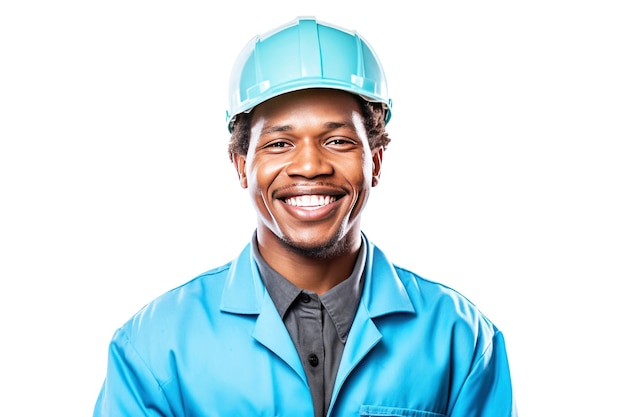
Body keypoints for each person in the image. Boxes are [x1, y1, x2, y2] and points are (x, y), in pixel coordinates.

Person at [93, 16, 517, 417]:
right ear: (242, 165)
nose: (310, 166)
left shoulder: (461, 341)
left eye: (337, 140)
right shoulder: (152, 349)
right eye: (279, 144)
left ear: (377, 161)